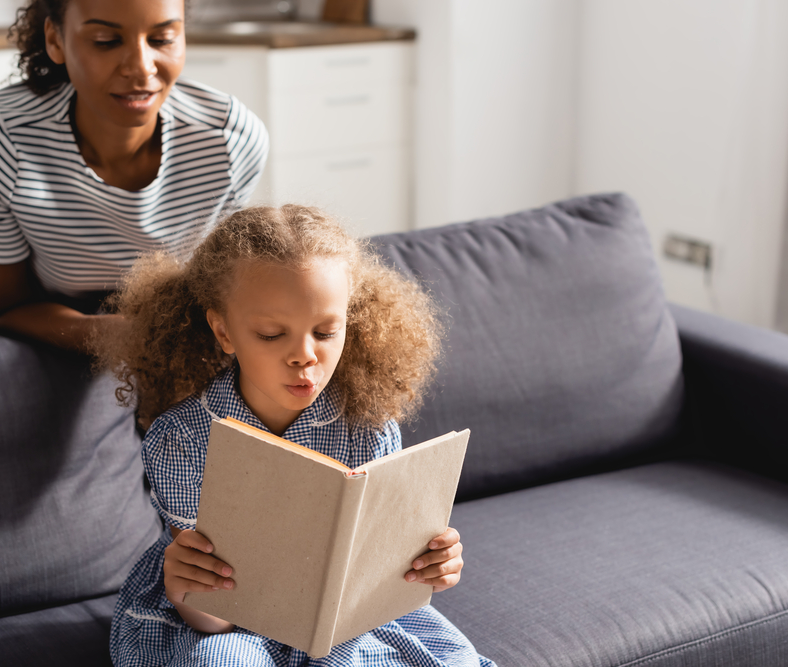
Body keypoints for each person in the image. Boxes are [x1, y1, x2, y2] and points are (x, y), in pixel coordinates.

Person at [94, 204, 496, 667]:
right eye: (270, 335)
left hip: (347, 619)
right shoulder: (180, 440)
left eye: (326, 331)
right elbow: (214, 616)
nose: (304, 356)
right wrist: (187, 590)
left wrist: (428, 566)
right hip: (222, 621)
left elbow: (377, 581)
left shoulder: (368, 429)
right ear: (223, 331)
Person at [0, 0, 268, 353]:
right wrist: (115, 336)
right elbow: (8, 305)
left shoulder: (229, 142)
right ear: (56, 41)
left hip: (124, 306)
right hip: (0, 296)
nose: (140, 68)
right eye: (105, 41)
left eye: (162, 39)